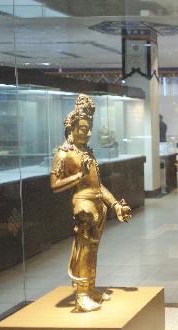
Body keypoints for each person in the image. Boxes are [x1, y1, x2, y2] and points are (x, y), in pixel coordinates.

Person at [50, 94, 131, 312]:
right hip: (83, 206)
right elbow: (55, 184)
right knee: (84, 250)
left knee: (93, 249)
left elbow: (98, 186)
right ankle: (81, 294)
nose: (87, 133)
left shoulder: (87, 152)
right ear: (71, 129)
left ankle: (91, 287)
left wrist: (115, 205)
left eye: (88, 128)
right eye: (83, 128)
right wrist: (78, 176)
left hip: (98, 205)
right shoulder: (64, 154)